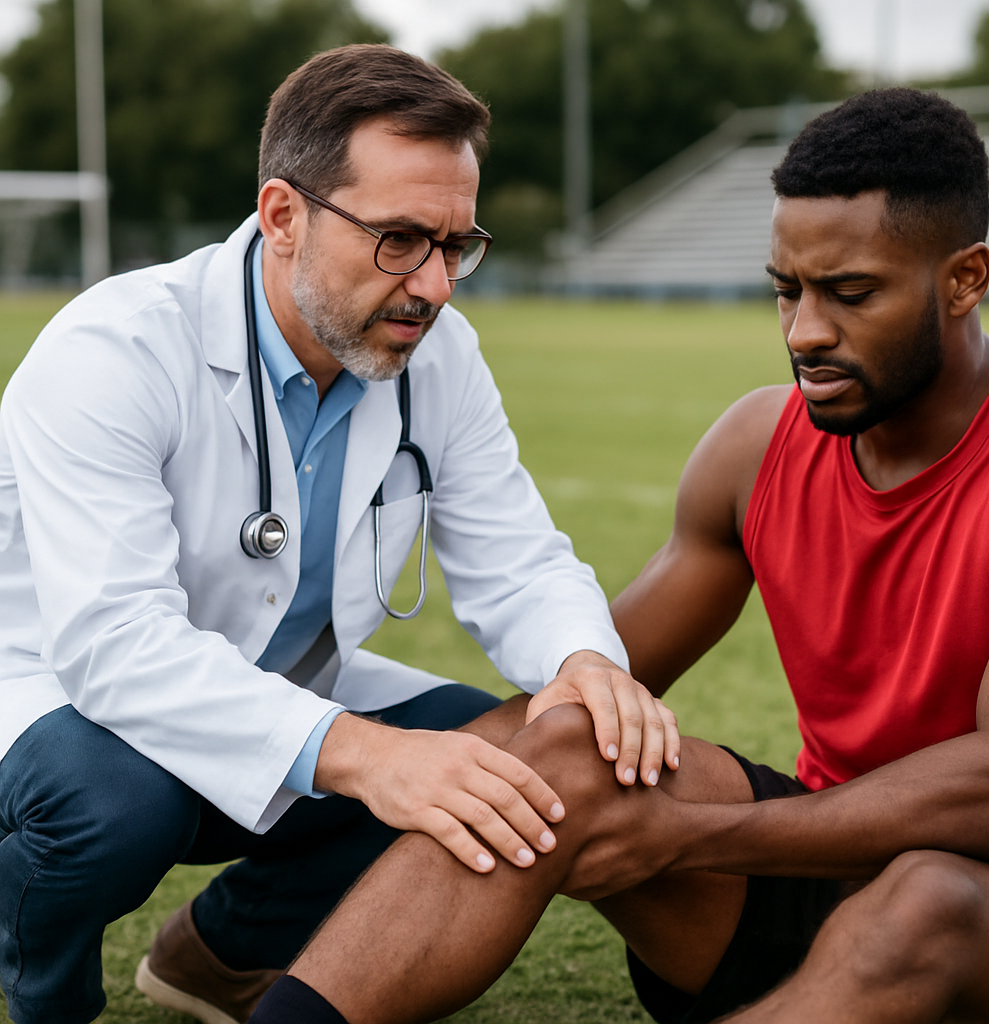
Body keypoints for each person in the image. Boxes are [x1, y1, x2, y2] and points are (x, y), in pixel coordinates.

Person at [244, 86, 989, 1024]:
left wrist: (693, 838)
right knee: (568, 739)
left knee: (926, 901)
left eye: (850, 295)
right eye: (788, 290)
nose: (805, 332)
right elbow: (578, 700)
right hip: (815, 869)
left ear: (964, 279)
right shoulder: (757, 449)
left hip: (988, 913)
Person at [0, 44, 678, 1024]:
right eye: (400, 238)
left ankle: (219, 951)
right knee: (113, 803)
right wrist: (368, 756)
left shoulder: (435, 348)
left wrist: (585, 661)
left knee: (499, 751)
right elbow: (116, 649)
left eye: (455, 244)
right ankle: (42, 980)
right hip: (60, 696)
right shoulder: (114, 348)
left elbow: (515, 553)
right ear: (283, 216)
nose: (437, 286)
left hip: (276, 677)